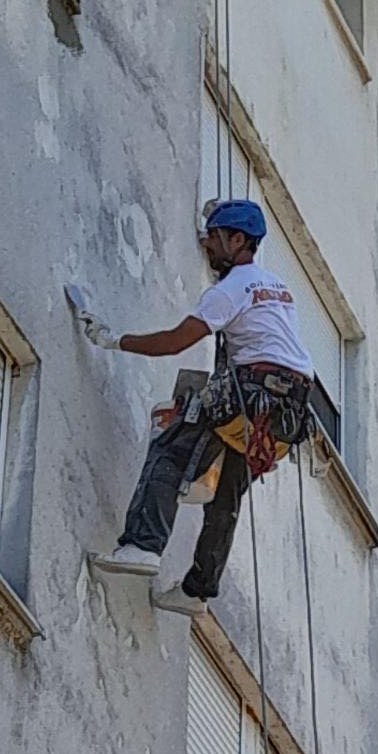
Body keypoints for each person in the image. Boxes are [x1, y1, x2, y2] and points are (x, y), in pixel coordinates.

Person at [77, 198, 313, 616]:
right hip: (287, 411)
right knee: (227, 495)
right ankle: (197, 590)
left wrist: (114, 340)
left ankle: (143, 546)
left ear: (237, 240)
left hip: (252, 391)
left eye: (214, 238)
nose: (207, 245)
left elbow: (175, 341)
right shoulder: (276, 288)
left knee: (172, 448)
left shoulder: (229, 290)